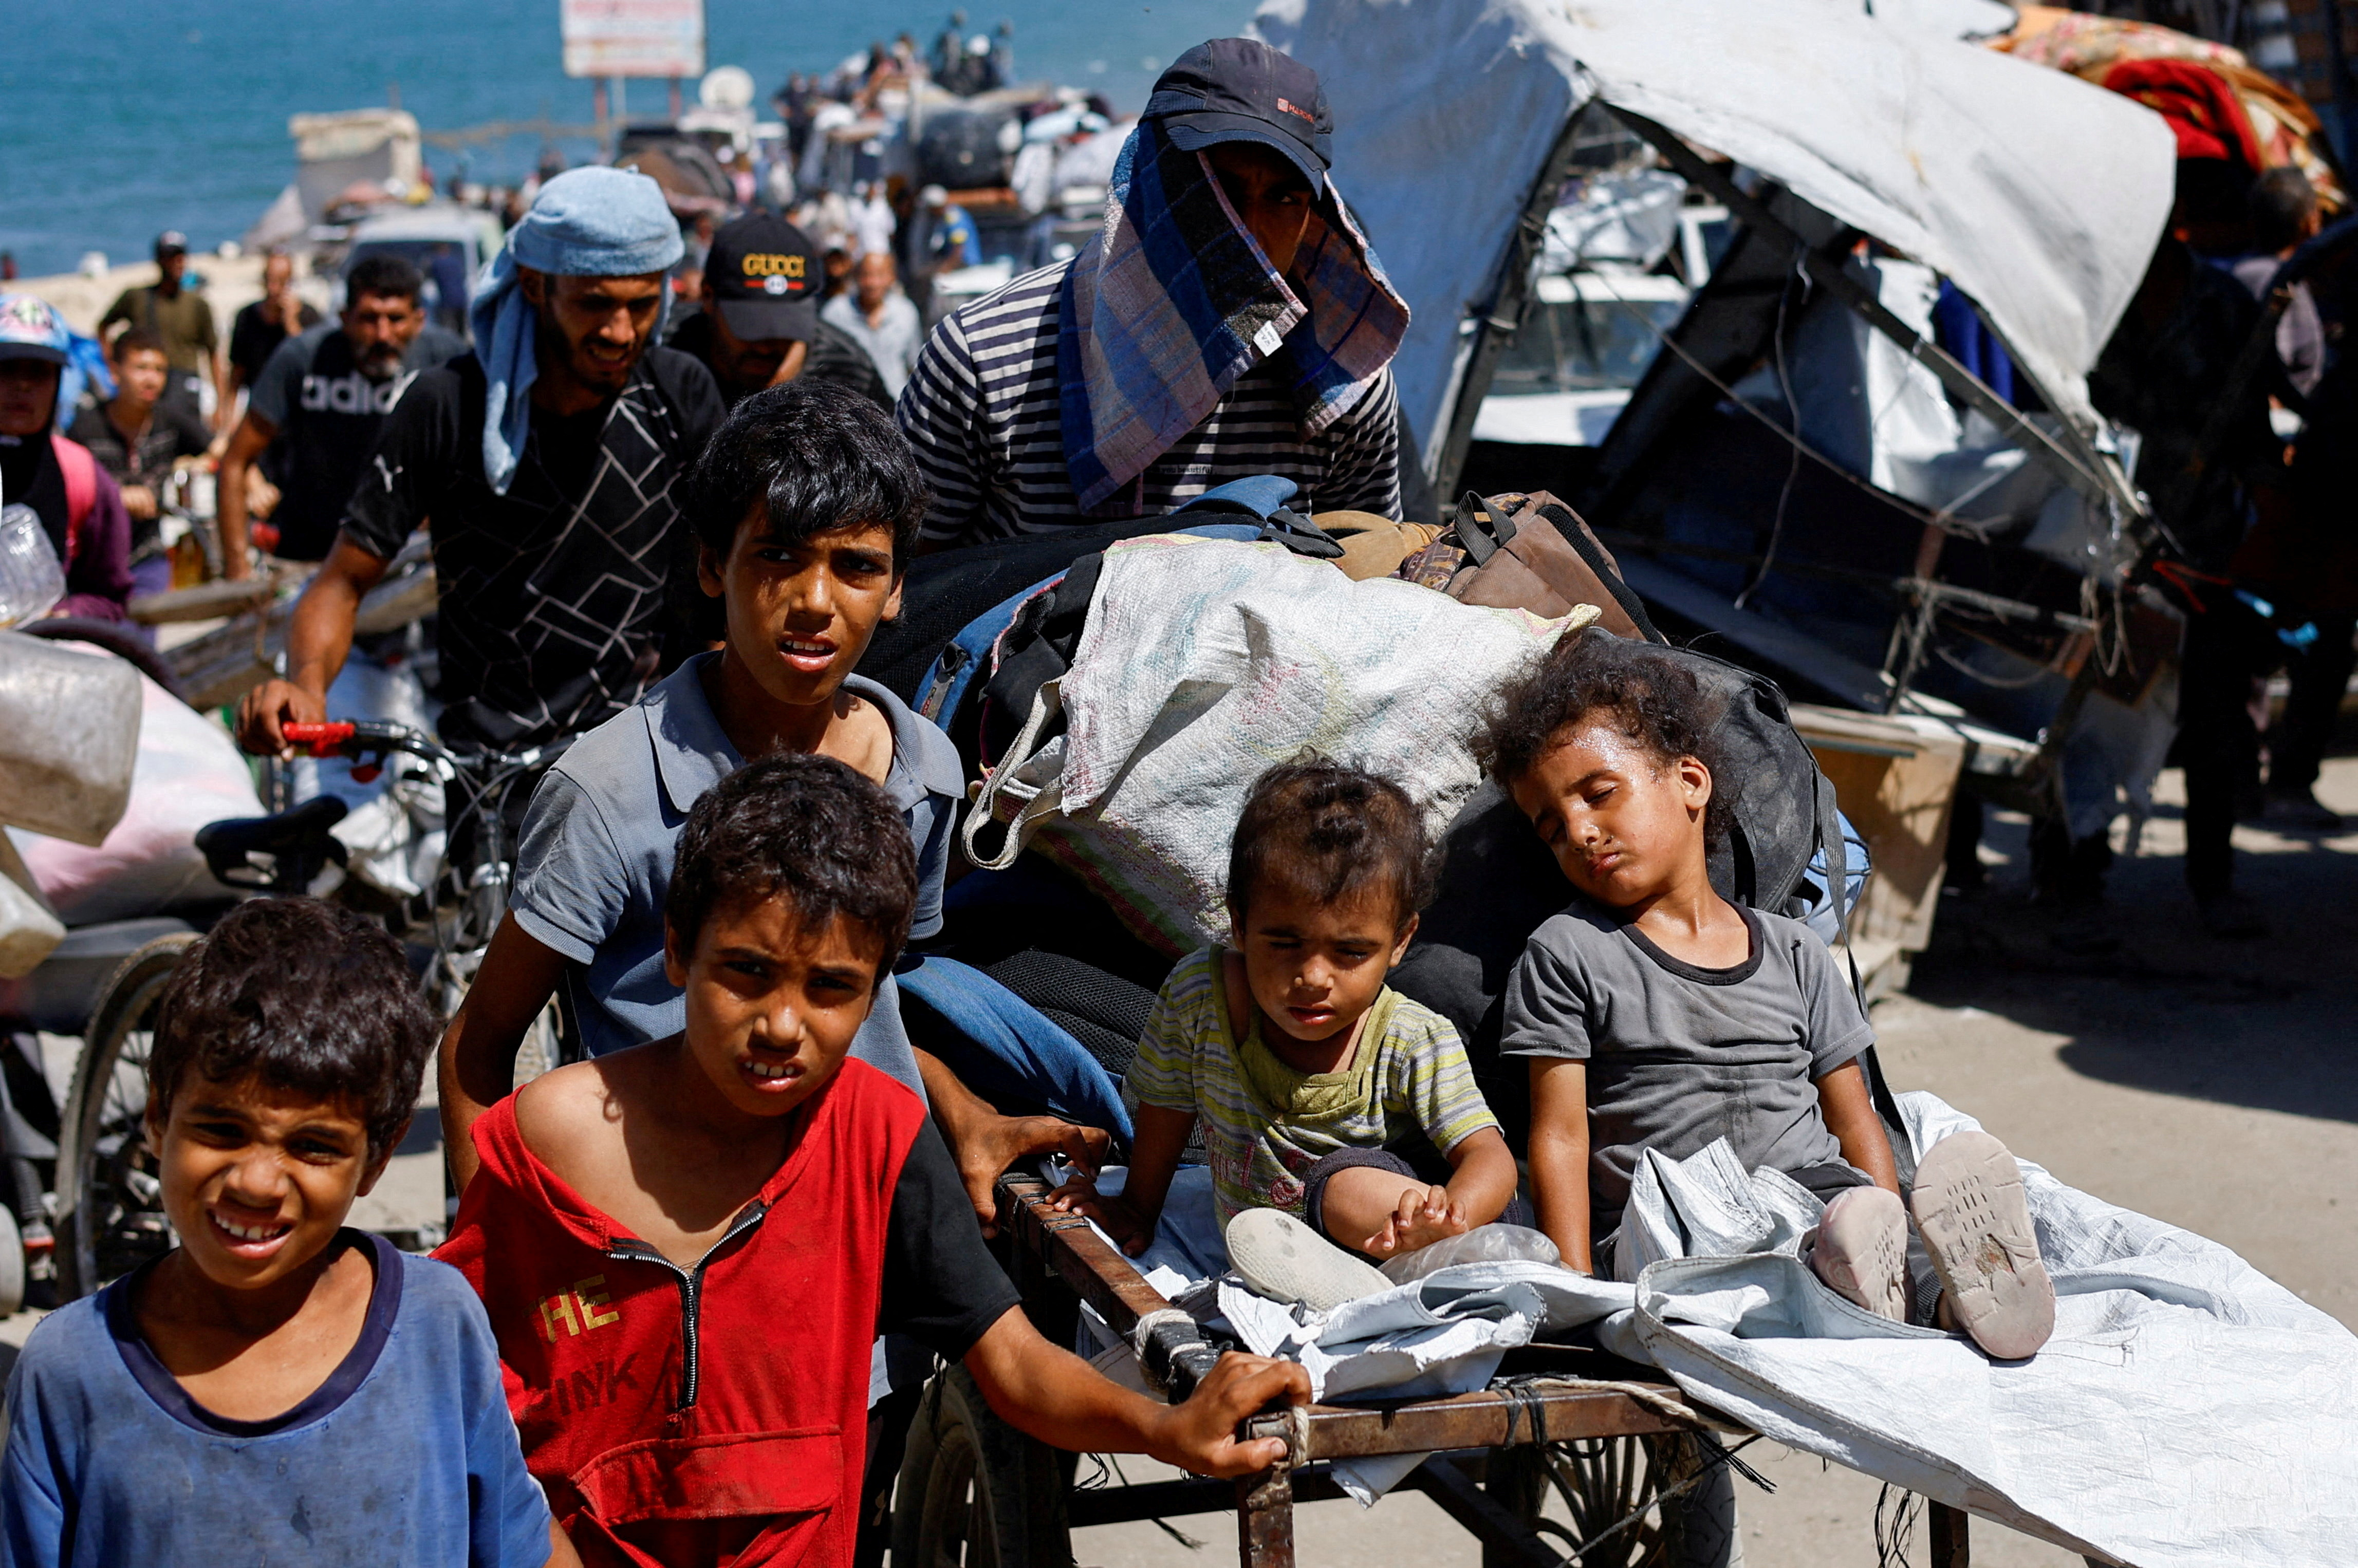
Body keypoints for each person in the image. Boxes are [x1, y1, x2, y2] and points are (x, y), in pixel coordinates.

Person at [436, 752, 1310, 1562]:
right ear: (675, 950)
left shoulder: (877, 1135)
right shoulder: (544, 1140)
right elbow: (458, 1400)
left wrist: (1164, 1427)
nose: (781, 1026)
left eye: (831, 987)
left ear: (878, 985)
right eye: (745, 971)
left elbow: (1010, 1363)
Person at [442, 380, 1108, 1209]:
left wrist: (961, 1116)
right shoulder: (608, 792)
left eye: (856, 567)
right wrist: (491, 1273)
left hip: (864, 1233)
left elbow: (873, 1009)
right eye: (777, 557)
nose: (814, 603)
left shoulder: (924, 769)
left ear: (898, 588)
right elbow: (477, 1047)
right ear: (709, 563)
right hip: (663, 1231)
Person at [1488, 629, 2056, 1360]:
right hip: (1678, 1215)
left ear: (1690, 782)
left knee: (1850, 1221)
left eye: (1599, 795)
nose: (1581, 832)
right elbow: (1562, 1136)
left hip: (1814, 1192)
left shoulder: (1793, 951)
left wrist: (1891, 1218)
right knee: (1754, 1258)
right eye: (1553, 830)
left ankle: (1955, 1292)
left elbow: (1855, 1118)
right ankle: (1854, 1280)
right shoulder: (1567, 952)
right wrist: (1575, 1285)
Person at [0, 898, 574, 1568]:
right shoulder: (71, 1365)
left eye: (314, 1146)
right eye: (221, 1130)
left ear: (375, 1162)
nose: (258, 1182)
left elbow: (521, 1546)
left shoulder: (436, 1325)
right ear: (158, 1119)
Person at [233, 167, 724, 759]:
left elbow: (730, 564)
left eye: (643, 306)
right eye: (595, 305)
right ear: (536, 286)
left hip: (649, 759)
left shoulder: (679, 393)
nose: (621, 331)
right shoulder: (447, 406)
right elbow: (342, 581)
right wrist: (306, 688)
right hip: (492, 770)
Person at [900, 38, 1407, 548]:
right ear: (1151, 179)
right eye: (1219, 192)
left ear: (1311, 217)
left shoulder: (1338, 382)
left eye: (1281, 197)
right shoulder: (984, 356)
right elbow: (900, 584)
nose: (1246, 232)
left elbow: (1370, 570)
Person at [1053, 760, 1517, 1266]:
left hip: (1382, 1245)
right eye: (1284, 943)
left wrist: (1451, 1213)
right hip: (1263, 1253)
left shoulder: (1411, 1038)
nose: (1314, 977)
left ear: (1400, 941)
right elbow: (1166, 1108)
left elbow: (1488, 1155)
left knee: (1341, 1189)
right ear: (1239, 924)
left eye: (1350, 952)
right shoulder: (1201, 997)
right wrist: (1137, 1210)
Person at [2089, 234, 2286, 935]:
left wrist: (2266, 536)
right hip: (2104, 545)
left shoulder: (2225, 306)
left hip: (2202, 549)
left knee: (2212, 720)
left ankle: (2213, 880)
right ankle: (2073, 873)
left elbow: (2259, 441)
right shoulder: (2099, 301)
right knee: (2088, 710)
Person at [217, 253, 465, 576]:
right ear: (345, 318)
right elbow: (235, 461)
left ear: (419, 320)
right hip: (312, 554)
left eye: (396, 319)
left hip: (412, 557)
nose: (383, 334)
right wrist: (237, 570)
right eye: (369, 318)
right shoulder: (303, 359)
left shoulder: (447, 360)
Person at [665, 212, 893, 409]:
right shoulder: (664, 354)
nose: (765, 348)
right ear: (708, 297)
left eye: (785, 328)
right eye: (750, 327)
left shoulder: (850, 373)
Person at [0, 294, 133, 622]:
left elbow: (111, 596)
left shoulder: (81, 474)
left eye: (39, 372)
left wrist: (64, 615)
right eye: (8, 368)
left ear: (58, 381)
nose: (22, 385)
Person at [67, 327, 212, 602]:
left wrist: (251, 480)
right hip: (94, 562)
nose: (152, 379)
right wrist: (114, 498)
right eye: (141, 368)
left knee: (139, 635)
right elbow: (65, 492)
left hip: (149, 556)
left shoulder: (170, 420)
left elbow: (223, 451)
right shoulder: (85, 428)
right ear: (115, 372)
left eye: (159, 370)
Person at [98, 232, 222, 428]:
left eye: (180, 257)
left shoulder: (197, 305)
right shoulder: (137, 298)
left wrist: (220, 406)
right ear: (159, 261)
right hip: (148, 381)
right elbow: (104, 326)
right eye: (170, 257)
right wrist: (110, 361)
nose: (176, 263)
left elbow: (213, 354)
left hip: (184, 382)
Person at [224, 249, 320, 413]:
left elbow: (311, 365)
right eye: (269, 280)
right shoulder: (247, 318)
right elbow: (237, 372)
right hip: (259, 406)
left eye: (281, 282)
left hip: (297, 408)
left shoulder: (308, 316)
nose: (273, 289)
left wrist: (290, 323)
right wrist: (228, 414)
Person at [823, 250, 923, 400]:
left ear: (891, 278)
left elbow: (914, 364)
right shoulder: (836, 313)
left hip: (896, 405)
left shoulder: (906, 312)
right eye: (866, 275)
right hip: (851, 406)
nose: (872, 283)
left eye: (880, 275)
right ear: (856, 277)